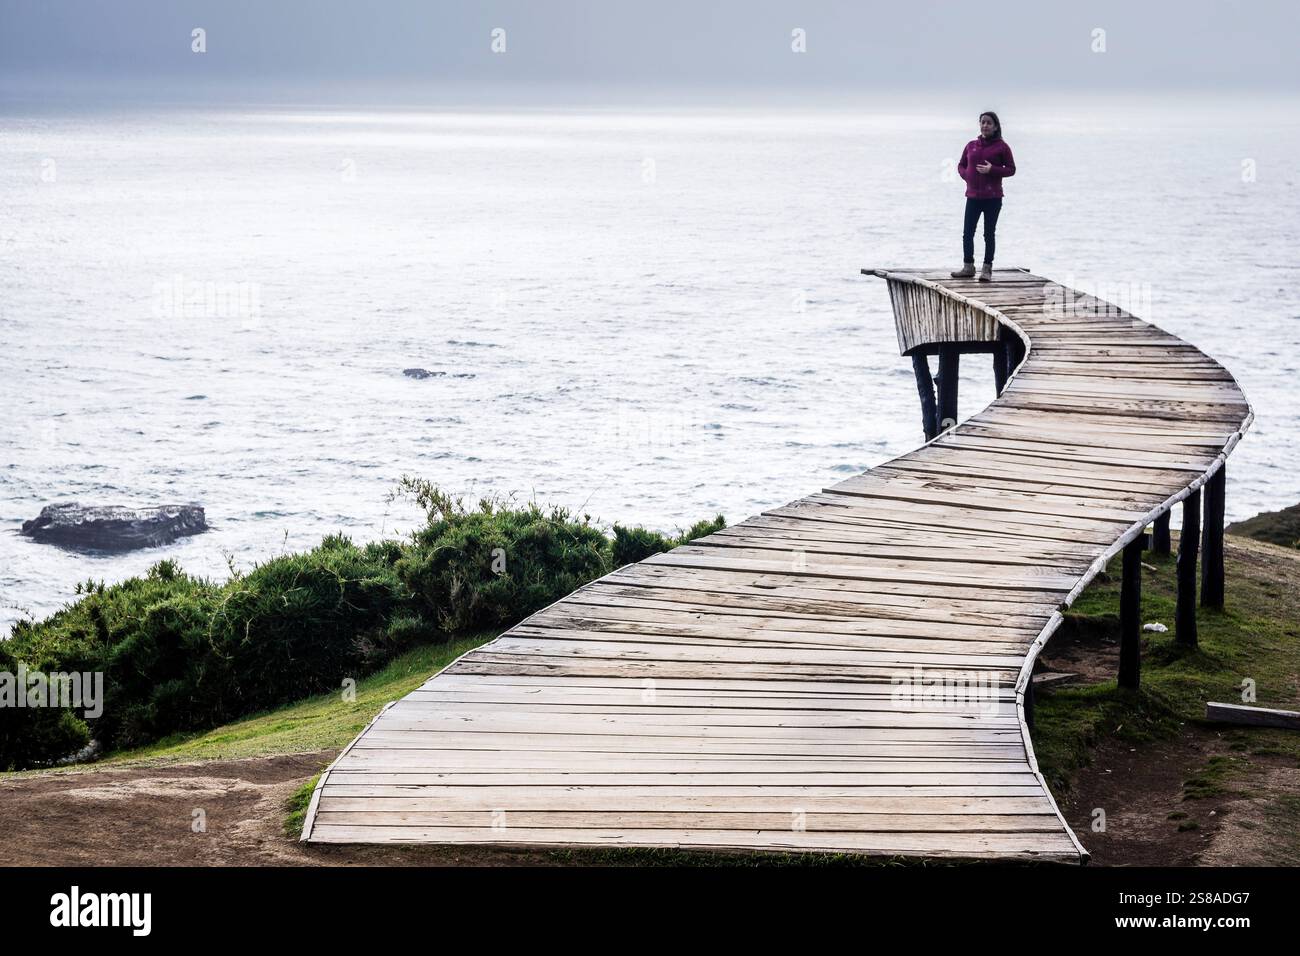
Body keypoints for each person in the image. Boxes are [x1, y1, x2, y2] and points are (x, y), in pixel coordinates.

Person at [952, 111, 1016, 282]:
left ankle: (986, 269)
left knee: (988, 234)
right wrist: (967, 175)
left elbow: (1011, 169)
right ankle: (968, 267)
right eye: (983, 122)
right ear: (979, 125)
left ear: (995, 127)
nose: (985, 125)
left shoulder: (1002, 147)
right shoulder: (971, 145)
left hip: (993, 198)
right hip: (972, 197)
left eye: (989, 123)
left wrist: (992, 170)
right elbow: (961, 165)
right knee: (967, 233)